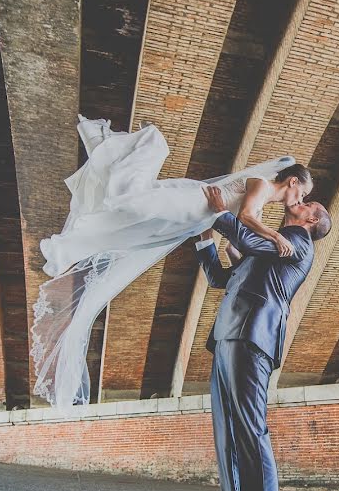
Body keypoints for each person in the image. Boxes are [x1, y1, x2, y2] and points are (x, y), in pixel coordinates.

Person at [31, 117, 313, 413]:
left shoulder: (266, 199)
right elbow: (244, 218)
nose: (300, 199)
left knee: (138, 230)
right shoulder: (262, 184)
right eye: (302, 193)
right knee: (134, 204)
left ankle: (74, 238)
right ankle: (122, 143)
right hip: (192, 203)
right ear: (292, 181)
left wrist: (217, 238)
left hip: (196, 217)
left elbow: (234, 244)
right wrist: (275, 235)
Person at [189, 184, 332, 491]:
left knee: (251, 436)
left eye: (307, 204)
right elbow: (221, 279)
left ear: (312, 220)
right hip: (226, 336)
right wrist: (206, 237)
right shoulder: (267, 247)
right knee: (227, 440)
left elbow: (247, 236)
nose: (298, 202)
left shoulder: (296, 242)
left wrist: (221, 215)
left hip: (252, 338)